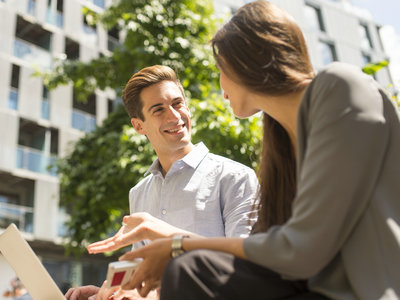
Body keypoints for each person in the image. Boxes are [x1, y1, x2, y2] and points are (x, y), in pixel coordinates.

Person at [117, 1, 400, 299]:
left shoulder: (341, 88)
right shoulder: (279, 142)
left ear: (245, 65)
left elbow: (300, 248)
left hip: (361, 290)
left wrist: (179, 245)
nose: (222, 89)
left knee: (191, 267)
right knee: (191, 270)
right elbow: (262, 246)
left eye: (221, 71)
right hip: (305, 285)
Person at [65, 65, 259, 300]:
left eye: (178, 104)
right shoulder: (138, 193)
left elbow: (245, 267)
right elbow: (142, 279)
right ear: (139, 126)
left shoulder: (235, 177)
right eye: (158, 109)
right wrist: (106, 294)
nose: (175, 116)